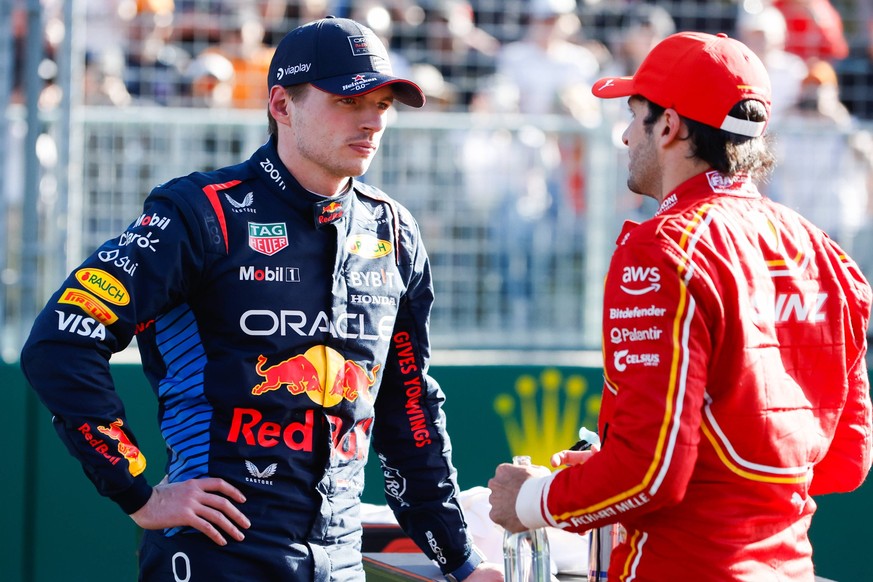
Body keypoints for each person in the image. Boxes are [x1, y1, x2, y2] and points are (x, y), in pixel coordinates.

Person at [20, 16, 502, 582]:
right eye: (349, 101)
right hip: (218, 556)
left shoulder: (394, 231)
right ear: (281, 105)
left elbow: (407, 409)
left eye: (383, 104)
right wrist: (138, 493)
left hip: (339, 562)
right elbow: (59, 344)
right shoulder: (201, 213)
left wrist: (460, 561)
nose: (372, 120)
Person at [487, 31, 873, 580]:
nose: (623, 136)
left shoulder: (661, 247)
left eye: (632, 114)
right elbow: (844, 462)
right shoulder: (827, 255)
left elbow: (651, 474)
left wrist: (531, 501)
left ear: (668, 125)